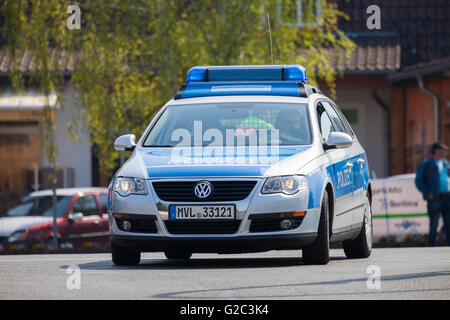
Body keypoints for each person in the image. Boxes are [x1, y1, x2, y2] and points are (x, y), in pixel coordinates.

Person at [415, 142, 450, 246]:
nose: (446, 152)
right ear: (437, 151)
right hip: (435, 198)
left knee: (448, 223)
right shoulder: (426, 164)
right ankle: (431, 246)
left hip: (447, 197)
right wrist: (427, 193)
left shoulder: (446, 163)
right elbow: (419, 181)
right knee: (434, 224)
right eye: (443, 149)